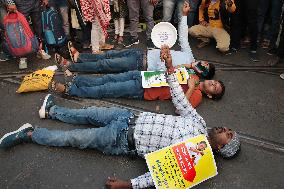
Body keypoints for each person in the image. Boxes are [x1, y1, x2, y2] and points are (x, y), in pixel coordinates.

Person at [0, 53, 240, 189]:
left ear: (221, 147)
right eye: (229, 129)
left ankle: (30, 134)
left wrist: (128, 185)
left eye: (227, 134)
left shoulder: (199, 157)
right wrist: (169, 68)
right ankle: (53, 111)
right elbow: (180, 100)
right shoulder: (199, 122)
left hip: (122, 141)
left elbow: (163, 175)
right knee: (87, 113)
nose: (224, 129)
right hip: (128, 117)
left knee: (73, 138)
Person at [56, 3, 215, 80]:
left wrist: (180, 65)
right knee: (109, 55)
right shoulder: (189, 55)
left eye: (204, 68)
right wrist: (184, 15)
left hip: (142, 65)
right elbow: (183, 36)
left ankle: (71, 66)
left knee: (106, 66)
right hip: (142, 53)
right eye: (206, 62)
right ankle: (80, 58)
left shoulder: (187, 77)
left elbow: (165, 73)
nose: (202, 63)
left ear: (202, 74)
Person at [51, 48, 224, 108]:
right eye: (215, 82)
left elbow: (180, 108)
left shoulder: (198, 96)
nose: (212, 84)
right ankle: (78, 80)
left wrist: (192, 87)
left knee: (106, 90)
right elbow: (171, 68)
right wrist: (188, 67)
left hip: (144, 90)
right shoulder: (193, 73)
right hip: (145, 75)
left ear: (210, 94)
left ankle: (70, 90)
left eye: (214, 87)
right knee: (107, 79)